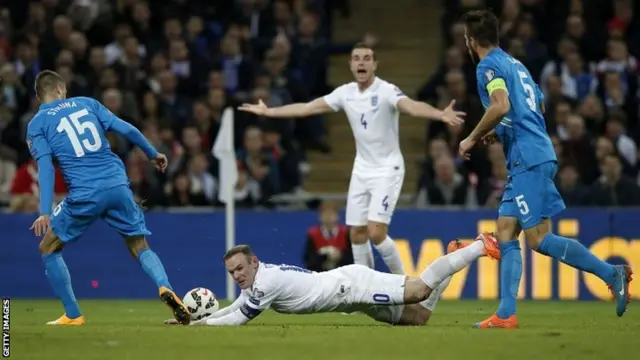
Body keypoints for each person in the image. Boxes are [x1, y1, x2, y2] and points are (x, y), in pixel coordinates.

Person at [457, 10, 633, 329]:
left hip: (528, 158)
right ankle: (506, 314)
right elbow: (536, 105)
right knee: (507, 229)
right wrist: (502, 130)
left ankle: (612, 273)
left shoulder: (488, 66)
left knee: (539, 239)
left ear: (471, 41)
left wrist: (471, 137)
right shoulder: (515, 64)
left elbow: (500, 105)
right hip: (532, 151)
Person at [238, 43, 465, 277]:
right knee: (356, 234)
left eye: (367, 58)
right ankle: (366, 291)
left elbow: (411, 106)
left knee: (376, 233)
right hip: (362, 169)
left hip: (388, 167)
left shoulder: (386, 90)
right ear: (351, 65)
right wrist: (270, 112)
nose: (361, 62)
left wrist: (439, 114)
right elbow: (307, 108)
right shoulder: (345, 93)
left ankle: (405, 284)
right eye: (356, 58)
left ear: (375, 64)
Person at [26, 70, 190, 326]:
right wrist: (152, 153)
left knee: (48, 247)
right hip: (117, 184)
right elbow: (127, 128)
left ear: (41, 95)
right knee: (139, 245)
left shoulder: (37, 124)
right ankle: (164, 286)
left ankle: (73, 315)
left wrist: (44, 210)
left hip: (84, 193)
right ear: (60, 89)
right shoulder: (87, 103)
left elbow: (45, 167)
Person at [165, 235, 500, 326]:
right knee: (420, 317)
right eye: (231, 272)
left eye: (240, 268)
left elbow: (239, 319)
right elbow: (233, 308)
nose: (237, 276)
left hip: (352, 285)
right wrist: (200, 319)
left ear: (253, 262)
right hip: (350, 301)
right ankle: (456, 254)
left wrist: (198, 328)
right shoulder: (257, 281)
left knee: (419, 290)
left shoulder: (265, 282)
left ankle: (477, 247)